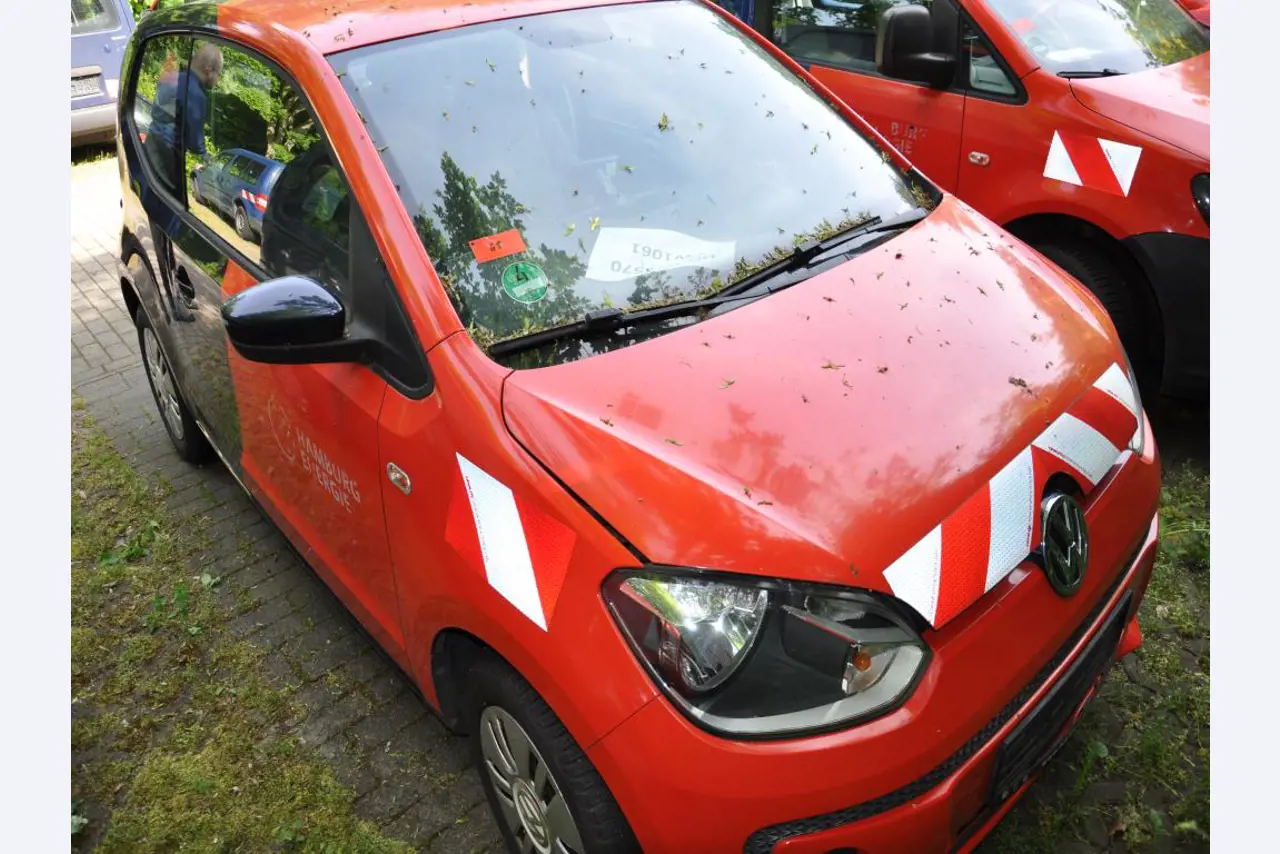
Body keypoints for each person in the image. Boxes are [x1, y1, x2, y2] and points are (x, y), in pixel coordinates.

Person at [151, 42, 224, 162]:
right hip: (169, 156)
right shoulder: (196, 95)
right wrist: (205, 156)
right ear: (209, 69)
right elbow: (195, 143)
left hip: (151, 143)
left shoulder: (170, 77)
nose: (218, 81)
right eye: (218, 74)